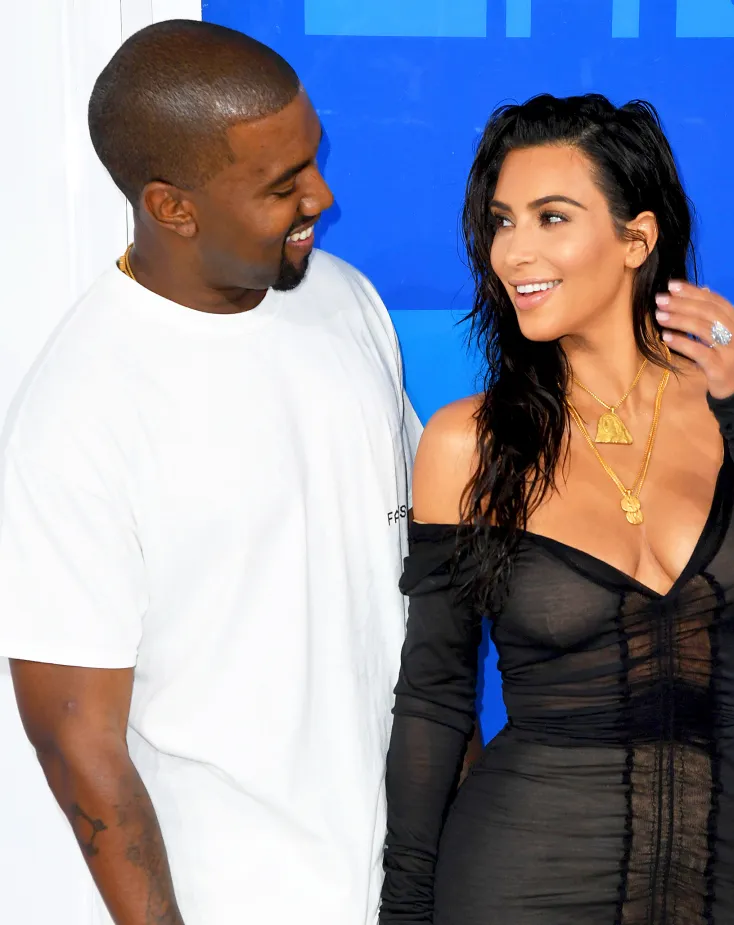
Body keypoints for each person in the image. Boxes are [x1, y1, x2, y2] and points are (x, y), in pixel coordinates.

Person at [379, 93, 734, 925]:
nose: (514, 252)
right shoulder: (470, 442)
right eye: (502, 222)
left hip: (728, 879)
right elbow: (433, 696)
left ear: (637, 239)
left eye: (551, 217)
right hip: (516, 879)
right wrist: (404, 911)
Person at [0, 19, 426, 925]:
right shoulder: (81, 407)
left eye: (312, 160)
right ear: (173, 207)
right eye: (283, 185)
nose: (323, 194)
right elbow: (80, 747)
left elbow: (409, 574)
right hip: (239, 898)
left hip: (409, 881)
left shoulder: (346, 302)